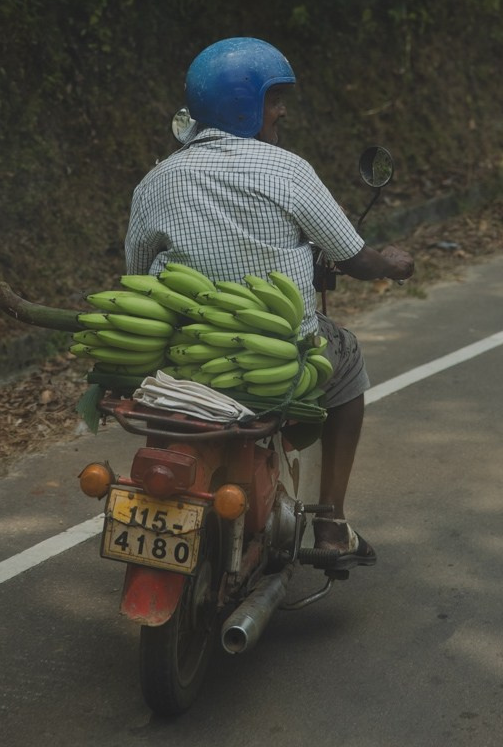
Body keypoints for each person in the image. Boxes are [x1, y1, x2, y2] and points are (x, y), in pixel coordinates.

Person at [124, 36, 414, 568]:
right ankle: (331, 523)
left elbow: (136, 277)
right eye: (273, 99)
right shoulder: (286, 169)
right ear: (244, 104)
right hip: (281, 354)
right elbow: (352, 257)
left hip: (183, 358)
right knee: (346, 357)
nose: (282, 111)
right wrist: (392, 264)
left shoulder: (156, 180)